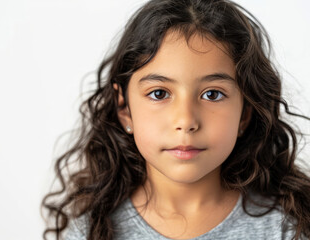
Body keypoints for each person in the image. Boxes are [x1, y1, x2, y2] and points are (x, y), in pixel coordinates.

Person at [41, 0, 310, 239]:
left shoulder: (288, 228)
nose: (186, 121)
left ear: (245, 112)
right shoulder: (93, 231)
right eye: (159, 94)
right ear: (124, 109)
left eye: (212, 94)